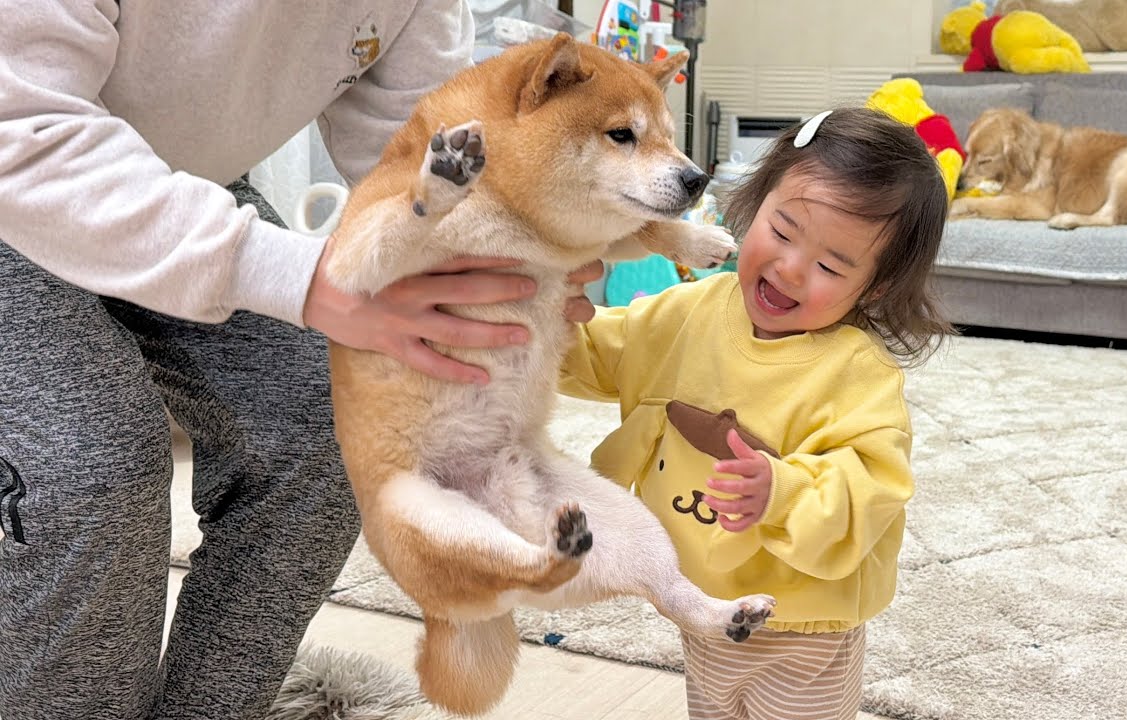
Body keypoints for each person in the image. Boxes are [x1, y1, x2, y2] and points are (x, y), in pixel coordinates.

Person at [0, 3, 598, 719]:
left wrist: (505, 249)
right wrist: (311, 281)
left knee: (326, 422)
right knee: (92, 462)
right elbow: (24, 123)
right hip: (19, 160)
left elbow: (417, 142)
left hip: (178, 173)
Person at [558, 107, 951, 719]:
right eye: (783, 231)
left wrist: (782, 492)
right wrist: (541, 318)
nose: (790, 267)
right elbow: (595, 353)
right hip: (704, 604)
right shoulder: (689, 311)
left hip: (804, 626)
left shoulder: (857, 373)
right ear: (755, 204)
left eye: (829, 266)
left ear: (874, 287)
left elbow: (870, 490)